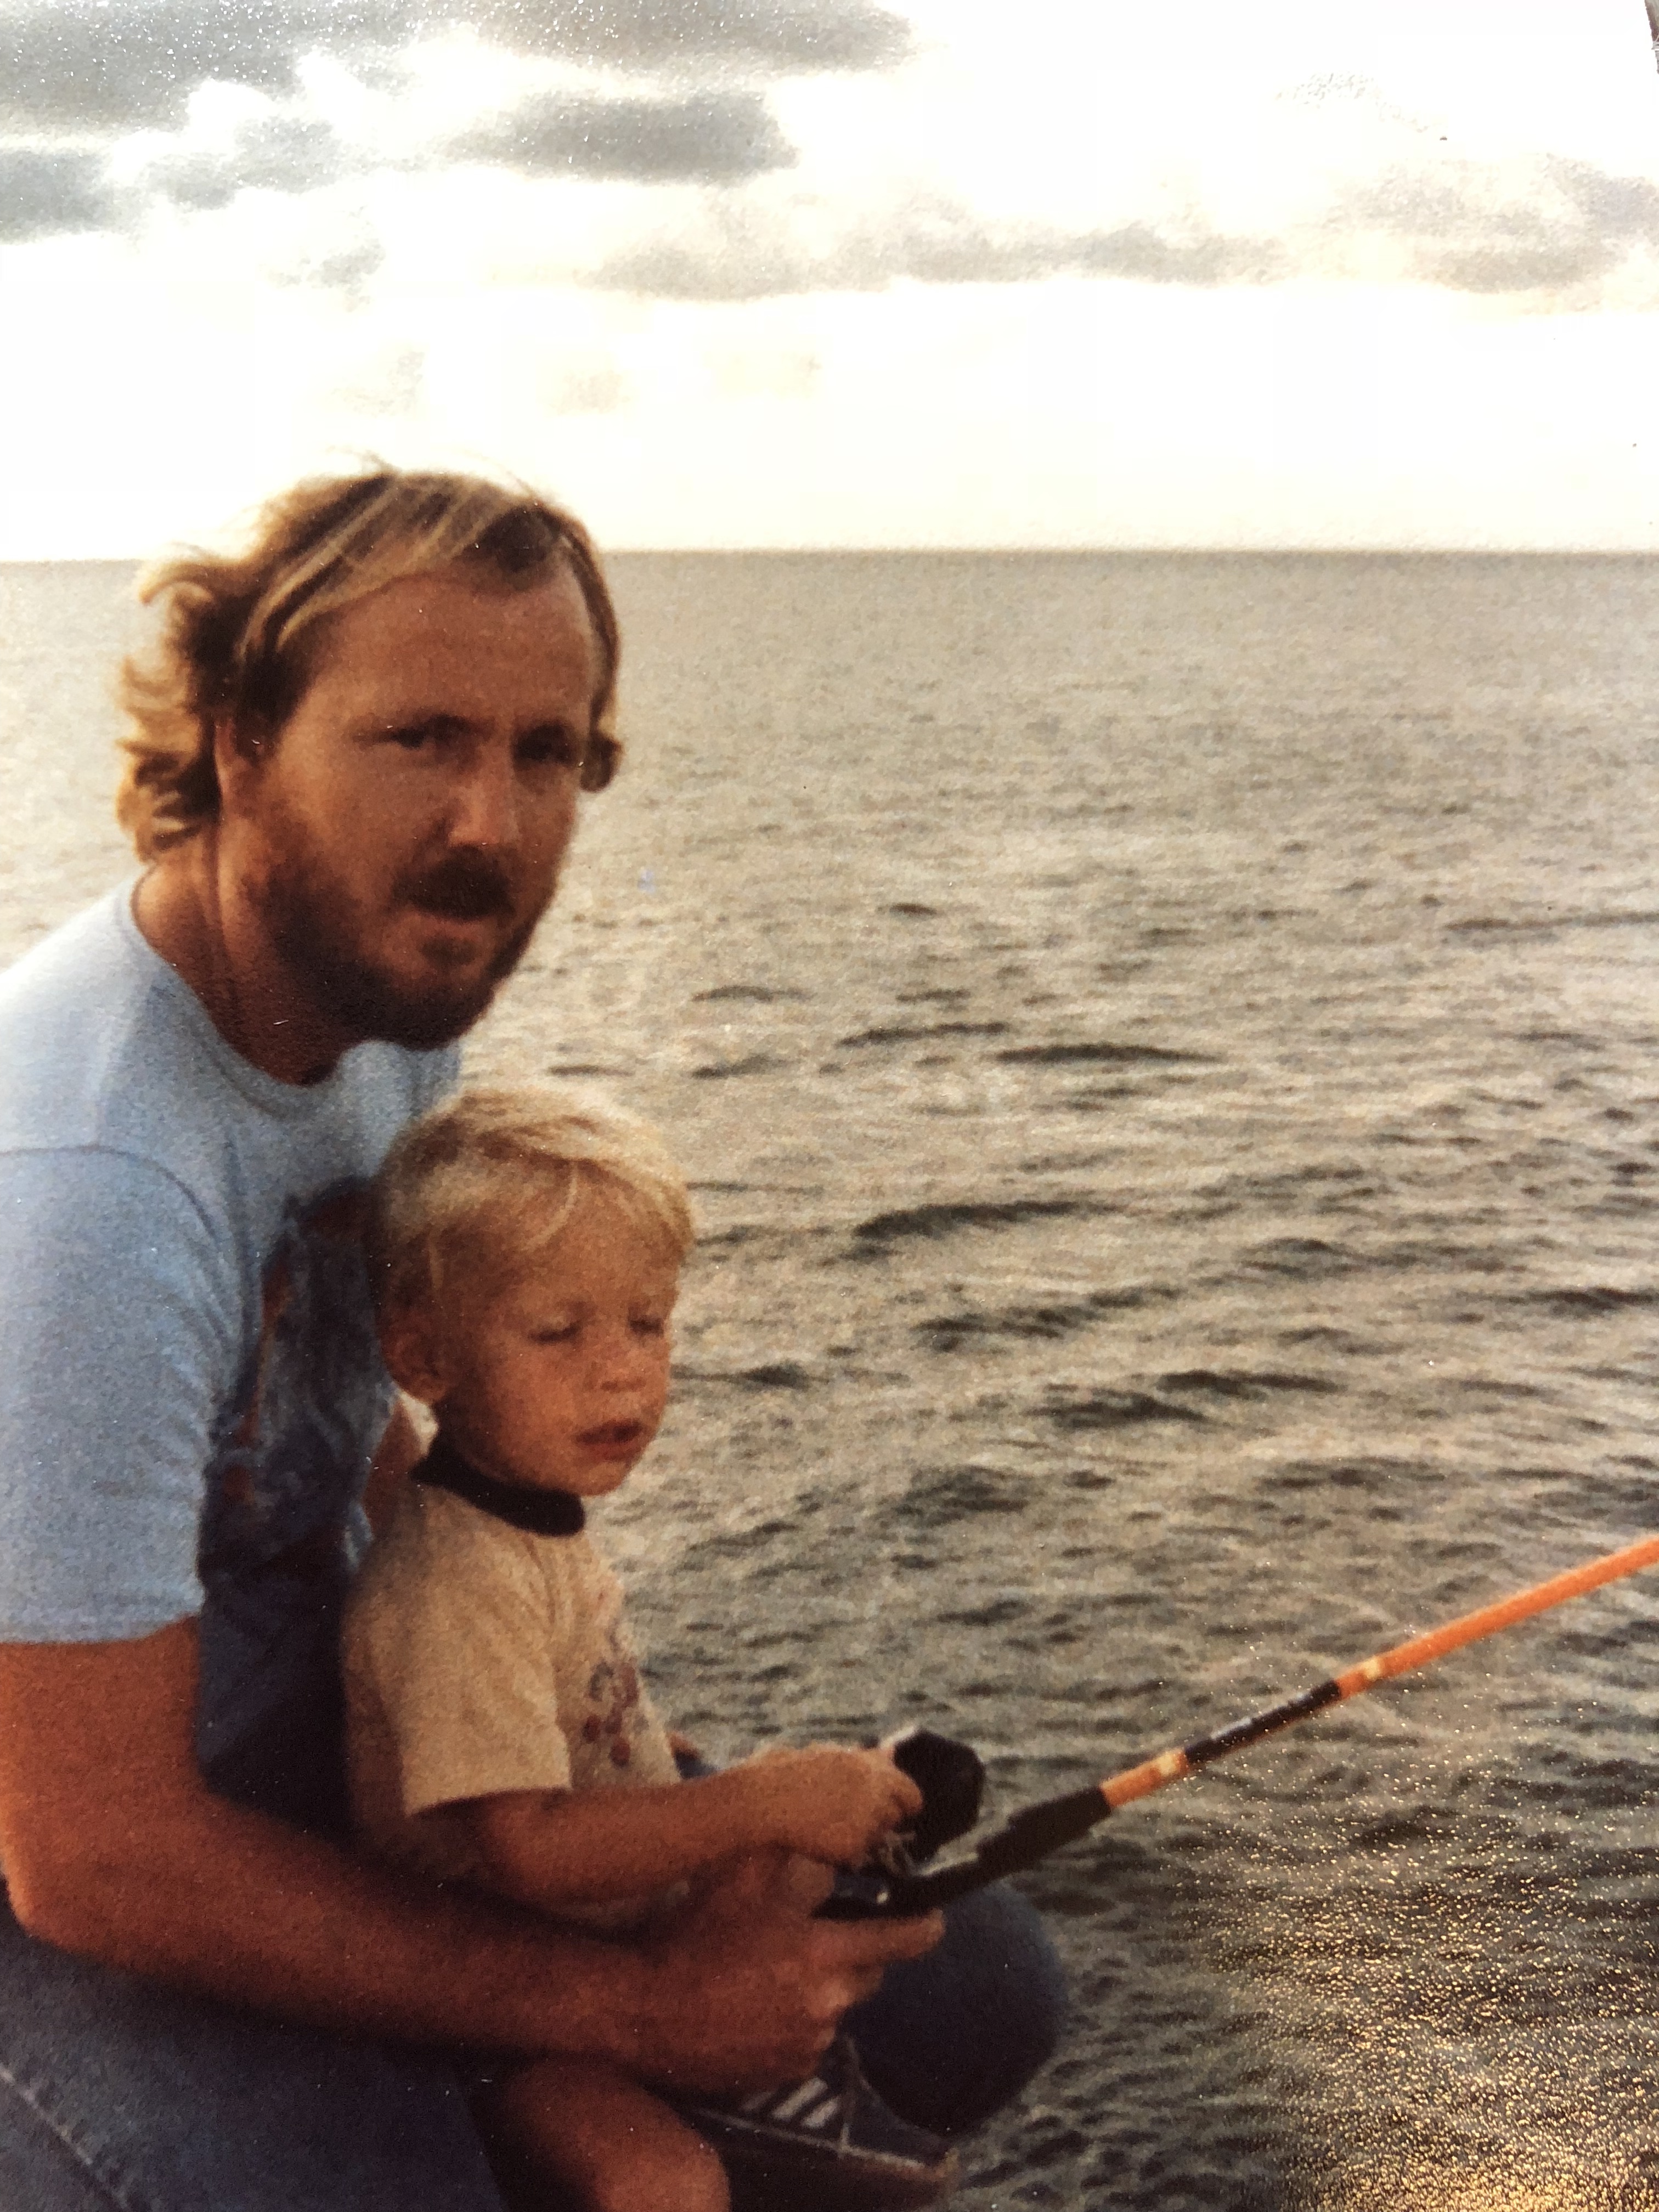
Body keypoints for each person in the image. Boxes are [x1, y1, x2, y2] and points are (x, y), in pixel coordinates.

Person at [0, 467, 1065, 2211]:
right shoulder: (87, 1189)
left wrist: (576, 1749)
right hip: (66, 1828)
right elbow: (93, 1856)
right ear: (240, 740)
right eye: (417, 738)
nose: (490, 825)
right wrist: (637, 2004)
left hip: (309, 1717)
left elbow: (373, 1433)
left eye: (547, 752)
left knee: (972, 1982)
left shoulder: (378, 1001)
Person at [346, 1084, 967, 2210]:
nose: (624, 1368)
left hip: (604, 1924)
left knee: (842, 1842)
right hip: (498, 1991)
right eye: (558, 1331)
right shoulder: (456, 1578)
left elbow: (571, 1717)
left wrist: (717, 1781)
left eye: (649, 1321)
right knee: (657, 2184)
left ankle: (762, 2077)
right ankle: (731, 2102)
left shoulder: (529, 1514)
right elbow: (526, 1851)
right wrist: (757, 1801)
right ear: (425, 1356)